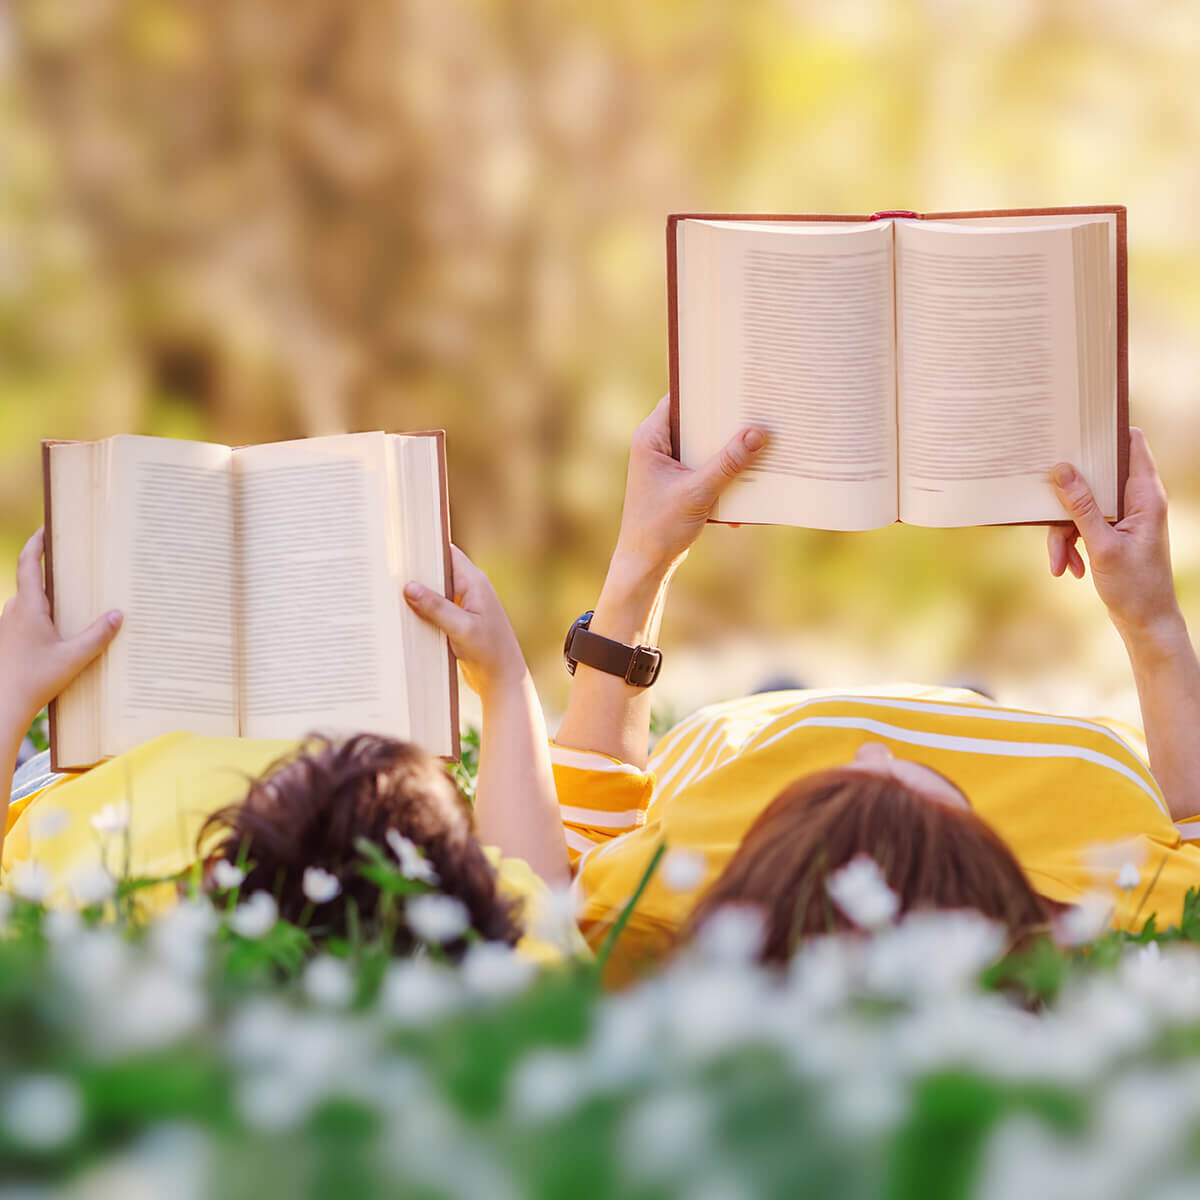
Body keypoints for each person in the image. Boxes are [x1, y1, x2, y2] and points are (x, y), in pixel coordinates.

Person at [550, 397, 1200, 980]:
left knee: (773, 694)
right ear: (981, 872)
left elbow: (581, 826)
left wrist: (645, 555)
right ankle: (972, 699)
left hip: (750, 731)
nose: (872, 750)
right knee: (974, 695)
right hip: (1040, 747)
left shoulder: (656, 910)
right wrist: (1151, 622)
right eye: (903, 780)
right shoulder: (1123, 917)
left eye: (833, 790)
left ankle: (780, 694)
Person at [0, 535, 578, 962]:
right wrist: (503, 680)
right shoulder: (479, 937)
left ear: (214, 872)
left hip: (81, 783)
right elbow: (537, 898)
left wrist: (12, 687)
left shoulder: (93, 914)